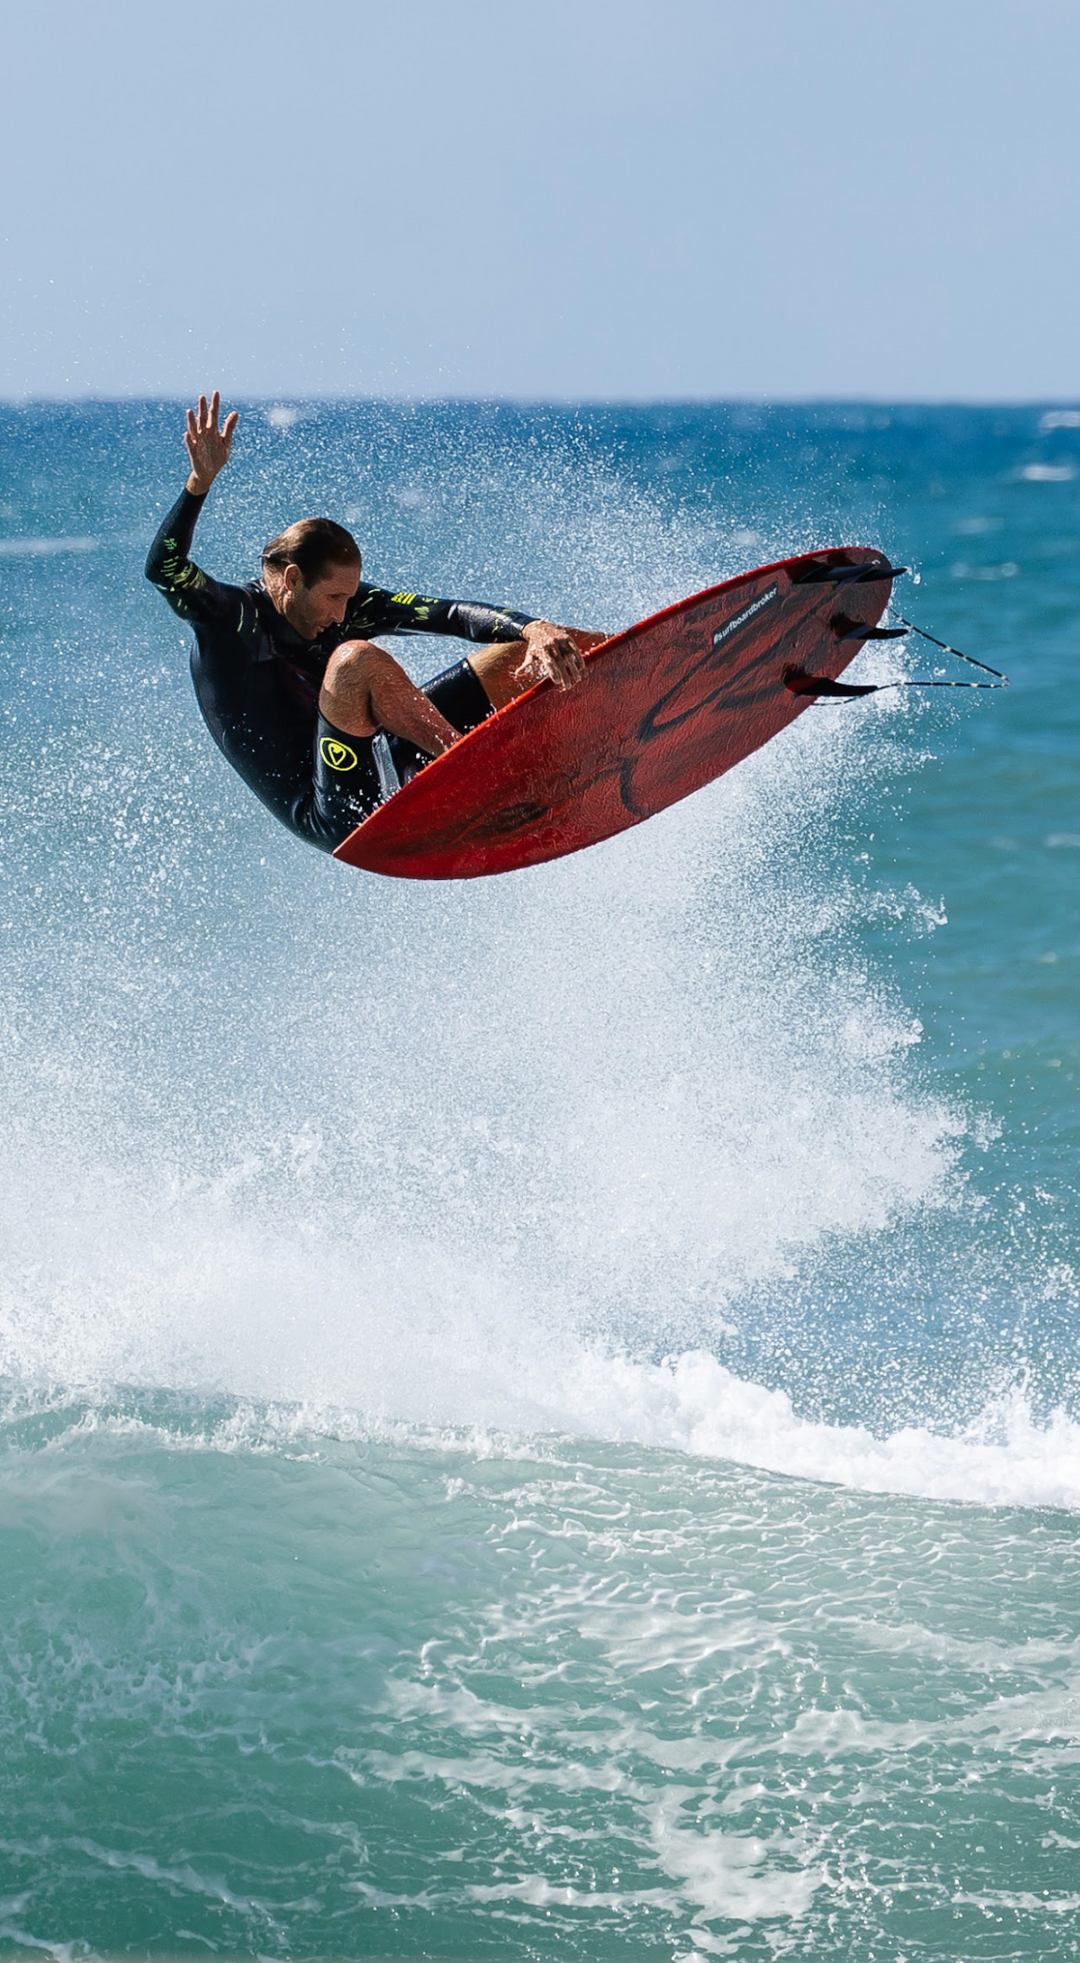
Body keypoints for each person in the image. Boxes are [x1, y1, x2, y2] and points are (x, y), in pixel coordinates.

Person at [145, 392, 605, 853]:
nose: (343, 613)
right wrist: (198, 484)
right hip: (337, 813)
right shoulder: (232, 621)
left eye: (349, 596)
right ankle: (473, 775)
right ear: (291, 579)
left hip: (387, 762)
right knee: (354, 660)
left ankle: (647, 667)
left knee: (525, 648)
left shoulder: (347, 607)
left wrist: (534, 630)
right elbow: (162, 570)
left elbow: (451, 615)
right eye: (334, 597)